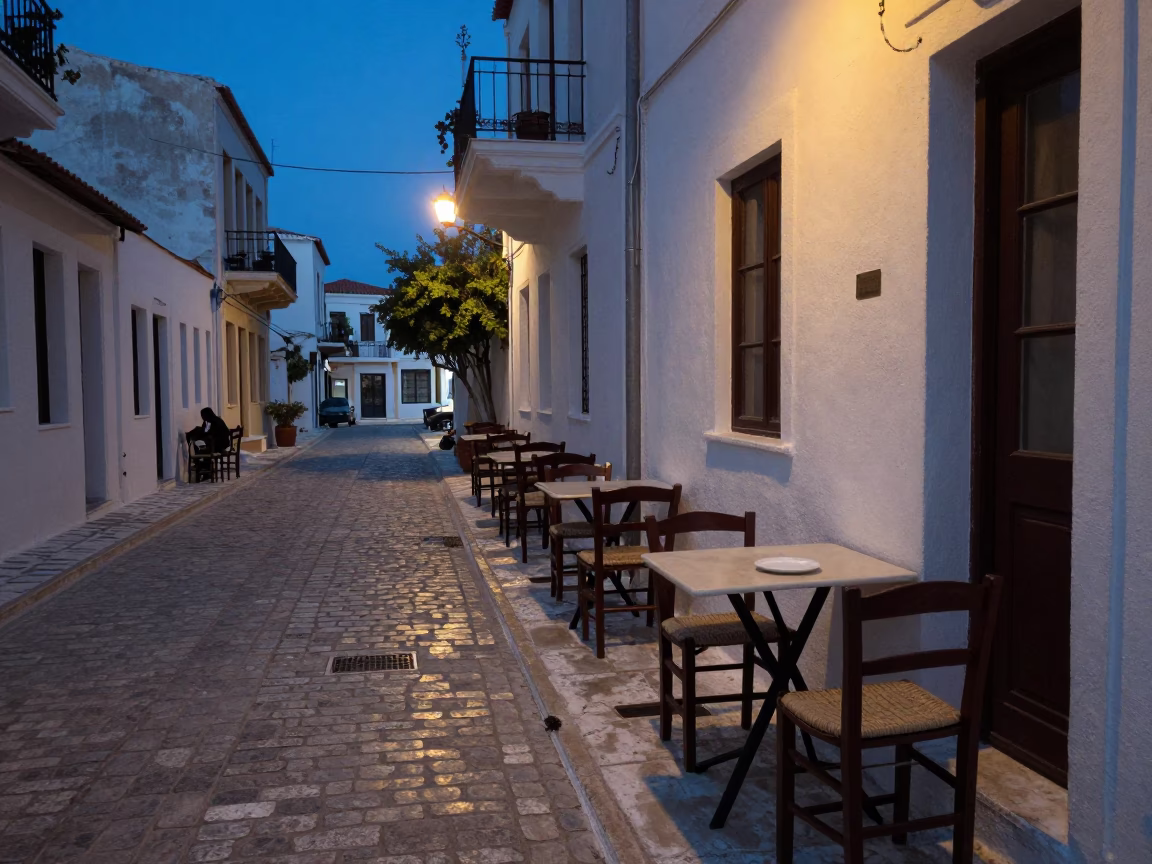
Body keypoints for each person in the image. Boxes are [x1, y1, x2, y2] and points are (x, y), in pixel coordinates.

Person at [188, 407, 230, 481]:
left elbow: (211, 435)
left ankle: (204, 470)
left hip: (219, 445)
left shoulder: (215, 422)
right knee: (203, 450)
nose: (202, 418)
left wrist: (202, 433)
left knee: (202, 452)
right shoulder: (214, 420)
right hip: (218, 444)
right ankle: (205, 470)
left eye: (203, 416)